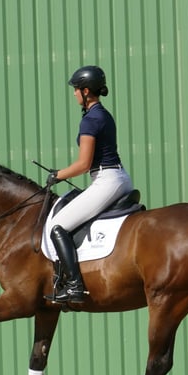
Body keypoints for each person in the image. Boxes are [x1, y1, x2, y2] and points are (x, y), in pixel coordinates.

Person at [45, 65, 133, 304]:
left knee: (58, 226)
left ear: (85, 91)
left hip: (107, 180)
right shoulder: (102, 114)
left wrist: (58, 175)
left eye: (76, 89)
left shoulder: (90, 120)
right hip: (118, 178)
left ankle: (74, 286)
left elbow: (83, 164)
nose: (74, 94)